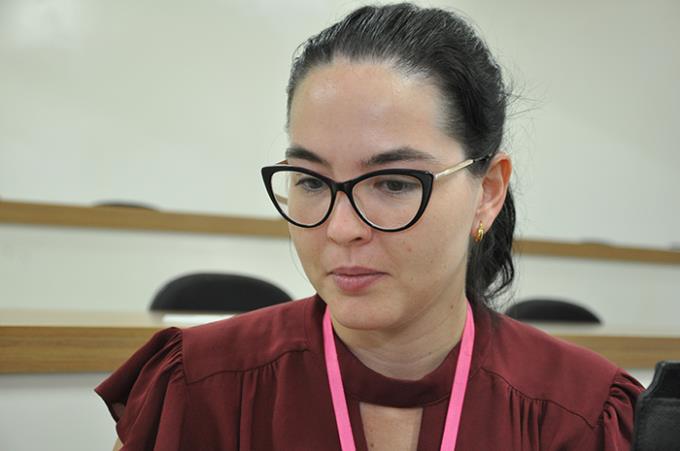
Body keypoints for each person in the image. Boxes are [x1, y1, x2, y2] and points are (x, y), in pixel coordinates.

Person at [97, 3, 643, 450]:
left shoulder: (582, 416)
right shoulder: (199, 389)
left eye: (394, 183)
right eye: (311, 181)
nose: (341, 229)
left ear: (488, 192)